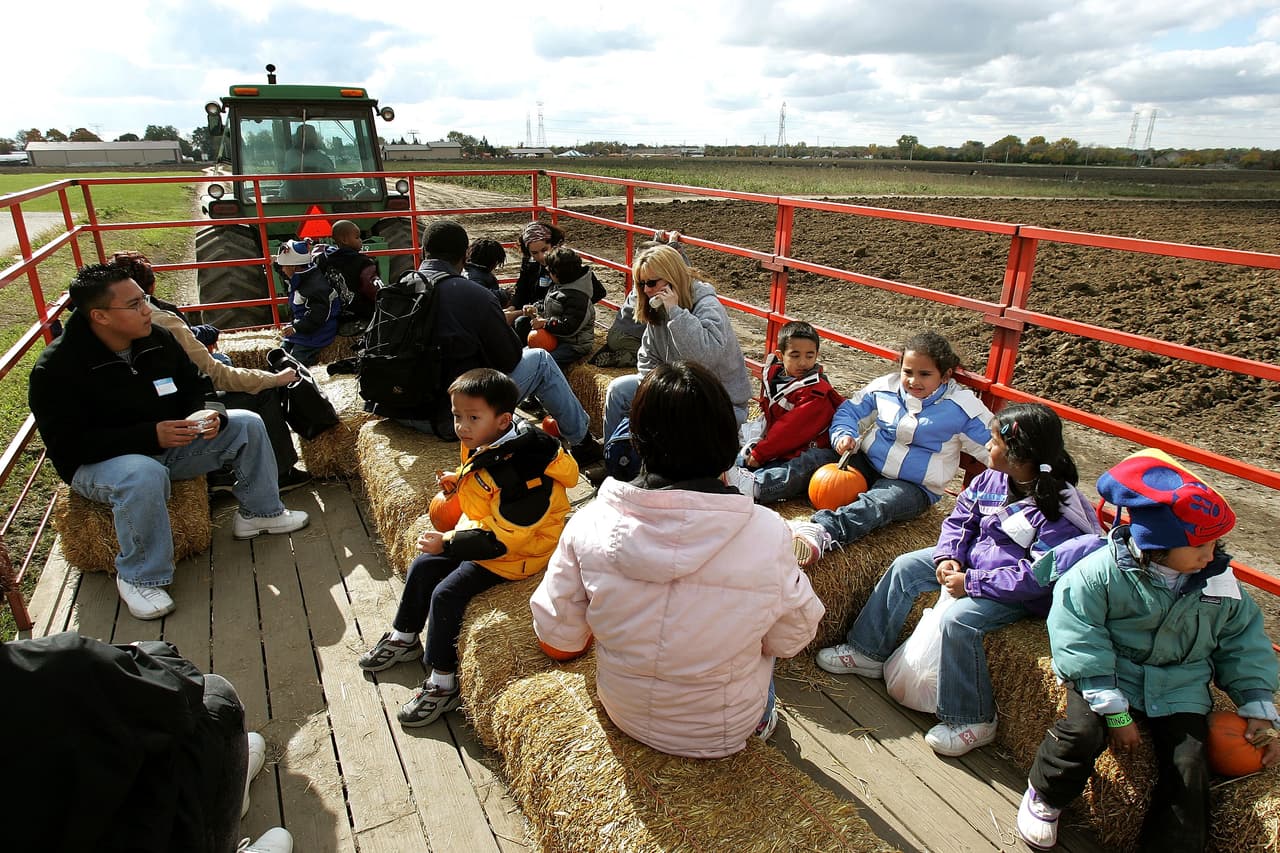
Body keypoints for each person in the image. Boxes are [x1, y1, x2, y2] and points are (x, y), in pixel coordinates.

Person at [531, 361, 825, 757]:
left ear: (636, 438)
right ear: (726, 439)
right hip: (722, 729)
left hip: (624, 711)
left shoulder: (588, 522)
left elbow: (556, 632)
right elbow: (791, 638)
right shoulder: (769, 532)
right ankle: (763, 720)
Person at [1015, 449, 1280, 851]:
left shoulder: (1218, 582)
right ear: (1158, 543)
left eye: (1214, 545)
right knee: (1083, 732)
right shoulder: (1099, 573)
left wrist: (1257, 707)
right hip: (1109, 674)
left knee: (1190, 765)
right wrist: (1114, 710)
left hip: (1179, 685)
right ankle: (1046, 794)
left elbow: (1243, 642)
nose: (1211, 556)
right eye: (1199, 547)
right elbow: (1080, 636)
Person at [815, 403, 1102, 756]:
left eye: (994, 441)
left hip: (1016, 593)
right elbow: (961, 518)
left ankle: (972, 718)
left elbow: (1037, 576)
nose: (988, 446)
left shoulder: (1058, 512)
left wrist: (973, 584)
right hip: (970, 565)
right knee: (906, 566)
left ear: (1019, 454)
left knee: (959, 621)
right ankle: (867, 650)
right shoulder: (991, 478)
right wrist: (948, 555)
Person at [28, 263, 309, 620]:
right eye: (134, 304)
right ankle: (139, 577)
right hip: (99, 463)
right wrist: (149, 435)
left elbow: (197, 385)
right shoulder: (56, 369)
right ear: (99, 315)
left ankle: (260, 513)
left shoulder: (158, 339)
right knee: (142, 473)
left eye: (144, 298)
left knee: (247, 424)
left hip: (167, 447)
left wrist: (207, 414)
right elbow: (67, 444)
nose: (147, 309)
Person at [357, 368, 579, 727]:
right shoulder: (493, 440)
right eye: (457, 416)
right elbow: (482, 472)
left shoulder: (526, 473)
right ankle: (404, 635)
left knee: (446, 594)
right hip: (485, 528)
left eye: (471, 417)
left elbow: (505, 539)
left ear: (503, 419)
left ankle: (443, 683)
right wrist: (458, 479)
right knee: (423, 566)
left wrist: (446, 541)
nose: (461, 425)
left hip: (517, 554)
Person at [1, 632, 293, 853]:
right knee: (216, 697)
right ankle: (221, 823)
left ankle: (229, 792)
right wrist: (143, 653)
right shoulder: (55, 665)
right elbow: (177, 689)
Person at [400, 220, 603, 470]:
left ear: (423, 251)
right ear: (464, 255)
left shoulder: (398, 287)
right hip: (452, 416)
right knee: (539, 359)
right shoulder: (474, 295)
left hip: (401, 410)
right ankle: (584, 445)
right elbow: (509, 358)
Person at [109, 252, 312, 492]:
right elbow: (215, 376)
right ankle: (279, 473)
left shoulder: (107, 325)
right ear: (150, 286)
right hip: (171, 418)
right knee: (261, 394)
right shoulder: (163, 322)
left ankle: (221, 470)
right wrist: (273, 379)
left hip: (148, 416)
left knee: (222, 361)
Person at [789, 330, 994, 566]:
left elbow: (994, 446)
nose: (914, 381)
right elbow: (850, 411)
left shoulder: (963, 407)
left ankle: (822, 531)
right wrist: (844, 435)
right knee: (815, 460)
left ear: (945, 375)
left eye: (925, 374)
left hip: (914, 486)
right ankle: (755, 486)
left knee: (879, 504)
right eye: (908, 372)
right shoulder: (886, 387)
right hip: (868, 463)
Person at [602, 244, 752, 445]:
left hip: (716, 402)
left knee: (669, 423)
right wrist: (657, 391)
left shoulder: (707, 305)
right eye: (642, 283)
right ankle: (617, 457)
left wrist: (676, 313)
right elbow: (647, 357)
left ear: (672, 279)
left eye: (652, 282)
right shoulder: (657, 309)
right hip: (673, 393)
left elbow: (702, 358)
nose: (646, 290)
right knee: (618, 390)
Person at [724, 320, 845, 503]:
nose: (803, 362)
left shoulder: (816, 391)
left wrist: (761, 452)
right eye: (795, 355)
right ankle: (729, 471)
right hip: (782, 445)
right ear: (781, 355)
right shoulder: (775, 377)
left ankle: (756, 488)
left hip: (811, 446)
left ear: (817, 355)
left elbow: (792, 429)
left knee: (800, 467)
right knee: (750, 456)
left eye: (809, 356)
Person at [592, 230, 685, 369]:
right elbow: (676, 268)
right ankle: (626, 357)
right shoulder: (651, 289)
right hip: (628, 337)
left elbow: (656, 261)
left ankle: (617, 351)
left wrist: (660, 242)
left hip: (619, 332)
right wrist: (673, 245)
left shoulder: (641, 282)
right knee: (657, 357)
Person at [513, 246, 598, 367]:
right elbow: (551, 305)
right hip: (555, 337)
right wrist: (536, 308)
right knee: (525, 355)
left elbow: (570, 327)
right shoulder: (560, 285)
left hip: (573, 345)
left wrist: (545, 324)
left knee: (543, 362)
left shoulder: (578, 298)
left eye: (549, 270)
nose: (547, 271)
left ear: (556, 274)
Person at [277, 239, 340, 367]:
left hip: (318, 331)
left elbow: (318, 316)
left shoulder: (315, 287)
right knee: (281, 352)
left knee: (296, 361)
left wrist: (296, 328)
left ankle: (301, 376)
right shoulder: (302, 274)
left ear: (294, 267)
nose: (282, 269)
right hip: (304, 326)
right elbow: (283, 271)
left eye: (284, 266)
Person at [322, 219, 381, 324]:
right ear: (345, 240)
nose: (360, 240)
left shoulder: (327, 261)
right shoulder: (363, 263)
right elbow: (372, 288)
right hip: (362, 313)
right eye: (357, 237)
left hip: (336, 314)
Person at [463, 237, 509, 307]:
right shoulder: (477, 277)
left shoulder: (470, 271)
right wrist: (504, 294)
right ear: (494, 261)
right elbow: (481, 296)